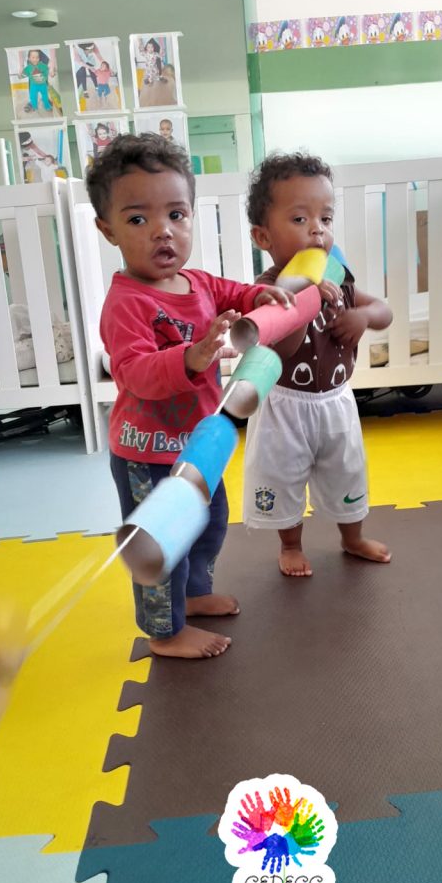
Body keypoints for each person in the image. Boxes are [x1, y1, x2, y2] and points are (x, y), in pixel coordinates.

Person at [86, 134, 293, 658]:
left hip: (197, 445)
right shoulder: (125, 304)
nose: (163, 230)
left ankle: (194, 596)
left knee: (210, 523)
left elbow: (233, 292)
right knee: (165, 545)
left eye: (176, 214)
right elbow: (135, 373)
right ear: (107, 229)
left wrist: (259, 294)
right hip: (148, 453)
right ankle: (165, 632)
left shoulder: (196, 282)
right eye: (138, 219)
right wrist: (192, 357)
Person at [243, 152, 393, 577]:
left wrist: (362, 317)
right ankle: (290, 545)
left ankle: (352, 537)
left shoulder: (339, 277)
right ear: (263, 236)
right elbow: (282, 349)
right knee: (282, 476)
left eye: (325, 218)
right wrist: (303, 299)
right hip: (285, 406)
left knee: (347, 471)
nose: (317, 230)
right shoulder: (267, 291)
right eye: (299, 219)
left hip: (335, 402)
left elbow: (383, 310)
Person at [20, 49, 52, 113]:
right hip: (34, 85)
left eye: (37, 58)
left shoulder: (42, 65)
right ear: (29, 59)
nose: (35, 59)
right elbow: (23, 74)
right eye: (33, 58)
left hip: (43, 85)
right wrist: (21, 73)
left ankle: (47, 105)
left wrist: (51, 70)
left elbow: (47, 69)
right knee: (33, 96)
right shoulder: (28, 67)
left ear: (39, 58)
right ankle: (34, 106)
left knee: (45, 95)